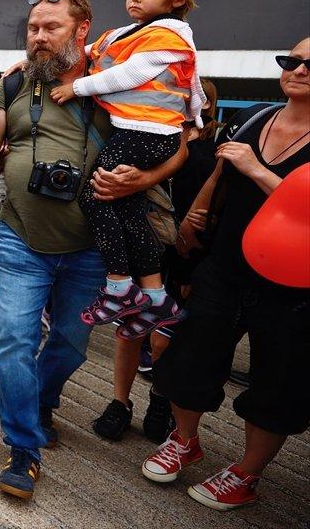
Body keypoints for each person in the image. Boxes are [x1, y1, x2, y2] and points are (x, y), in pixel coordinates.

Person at [0, 0, 186, 500]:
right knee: (15, 339)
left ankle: (41, 401)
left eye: (51, 28)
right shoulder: (16, 83)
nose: (39, 38)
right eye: (33, 29)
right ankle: (23, 448)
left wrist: (139, 181)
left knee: (69, 343)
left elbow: (179, 144)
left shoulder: (122, 78)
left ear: (81, 29)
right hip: (21, 240)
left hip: (94, 252)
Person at [142, 39, 310, 511]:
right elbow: (218, 176)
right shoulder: (254, 116)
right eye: (291, 61)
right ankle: (185, 440)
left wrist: (258, 170)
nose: (298, 70)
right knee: (186, 357)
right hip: (224, 266)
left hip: (293, 287)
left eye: (309, 65)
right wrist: (192, 223)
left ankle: (246, 473)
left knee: (277, 383)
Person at [60, 0, 205, 338]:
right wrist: (26, 64)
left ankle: (120, 286)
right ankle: (156, 296)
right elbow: (86, 52)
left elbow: (128, 73)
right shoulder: (129, 32)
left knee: (95, 196)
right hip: (144, 131)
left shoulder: (170, 35)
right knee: (126, 208)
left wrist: (74, 88)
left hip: (148, 132)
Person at [93, 77, 220, 444]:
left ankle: (160, 399)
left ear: (203, 106)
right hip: (141, 247)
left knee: (165, 338)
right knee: (128, 329)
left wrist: (196, 249)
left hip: (184, 255)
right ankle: (120, 402)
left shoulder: (211, 152)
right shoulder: (146, 135)